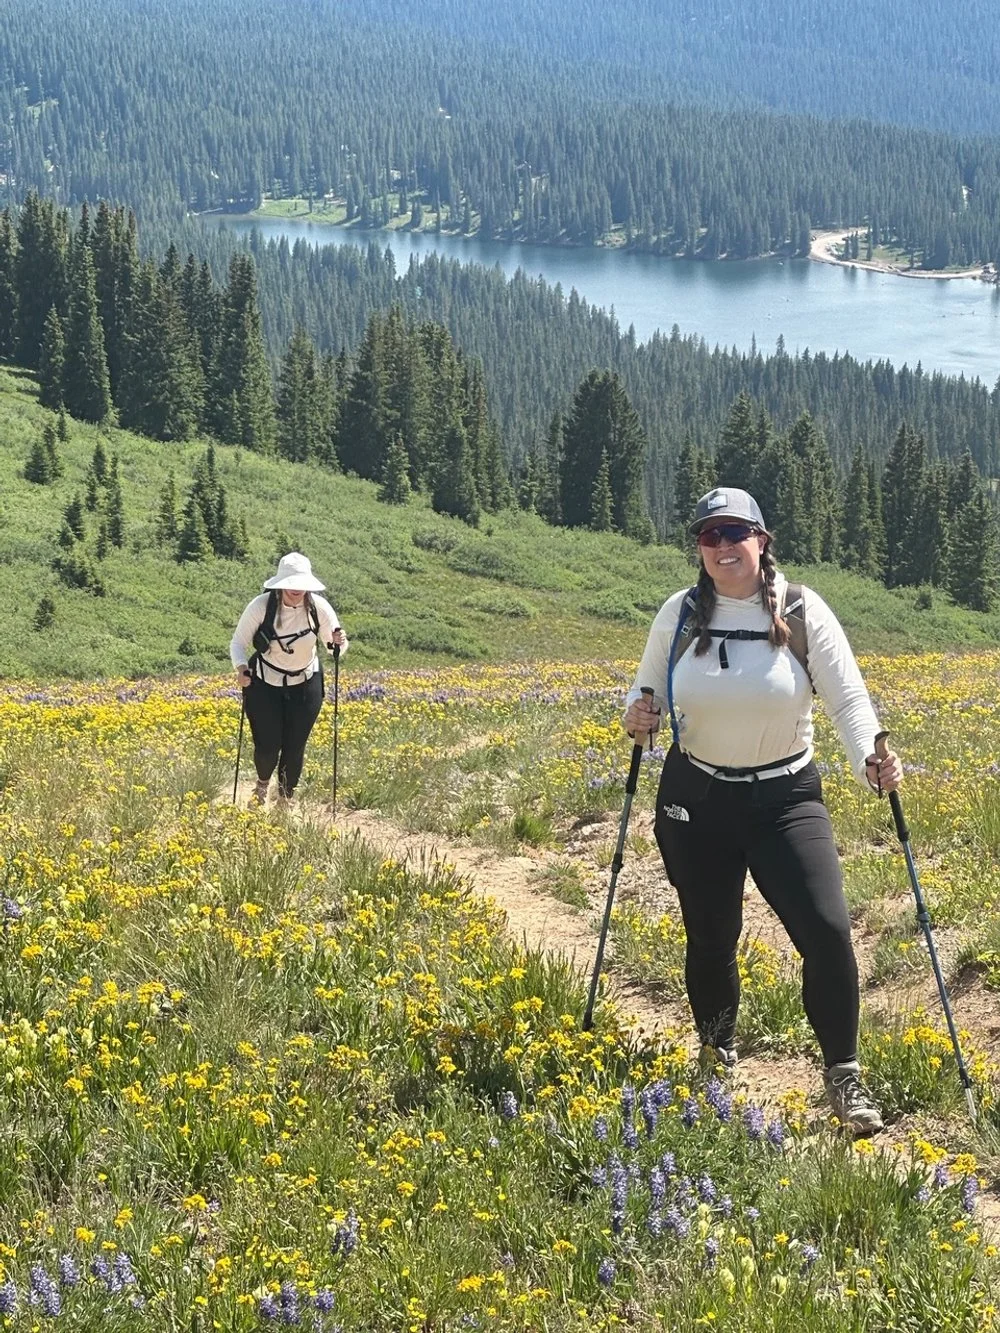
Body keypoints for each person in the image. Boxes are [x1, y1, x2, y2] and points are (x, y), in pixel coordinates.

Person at [624, 487, 902, 1135]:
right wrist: (637, 717)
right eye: (708, 534)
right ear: (698, 545)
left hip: (785, 797)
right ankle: (717, 1053)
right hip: (696, 796)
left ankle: (844, 1074)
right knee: (711, 935)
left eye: (733, 532)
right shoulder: (681, 612)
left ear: (762, 539)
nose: (721, 546)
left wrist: (872, 755)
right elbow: (645, 698)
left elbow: (849, 700)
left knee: (828, 931)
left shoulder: (802, 609)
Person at [231, 551, 347, 808]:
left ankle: (285, 800)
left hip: (306, 683)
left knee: (295, 748)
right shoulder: (261, 606)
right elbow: (238, 643)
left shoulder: (319, 608)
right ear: (281, 584)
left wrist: (339, 643)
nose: (296, 590)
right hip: (263, 684)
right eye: (291, 584)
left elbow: (333, 646)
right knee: (267, 747)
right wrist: (241, 669)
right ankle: (262, 784)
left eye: (301, 585)